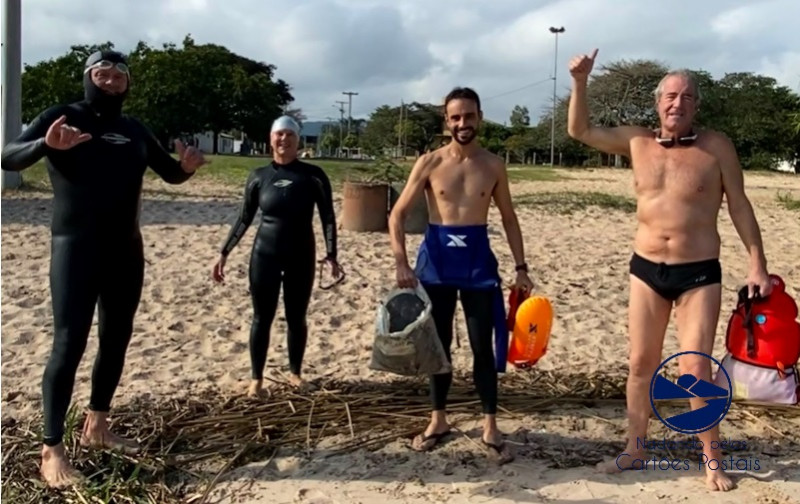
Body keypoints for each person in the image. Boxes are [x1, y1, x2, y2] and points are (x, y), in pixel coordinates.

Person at [566, 48, 772, 491]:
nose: (677, 103)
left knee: (695, 369)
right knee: (640, 364)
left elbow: (738, 204)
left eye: (687, 97)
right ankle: (635, 448)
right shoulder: (637, 142)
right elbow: (579, 129)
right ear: (658, 103)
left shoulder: (716, 147)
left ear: (697, 105)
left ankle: (711, 459)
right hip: (645, 271)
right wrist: (580, 82)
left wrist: (758, 263)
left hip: (698, 273)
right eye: (670, 96)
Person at [1, 50, 206, 489]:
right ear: (88, 77)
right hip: (75, 248)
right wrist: (45, 145)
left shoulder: (133, 129)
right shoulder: (62, 116)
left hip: (126, 249)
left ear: (127, 84)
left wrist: (186, 170)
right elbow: (8, 156)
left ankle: (97, 426)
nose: (111, 81)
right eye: (102, 73)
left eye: (119, 75)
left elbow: (168, 172)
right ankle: (51, 449)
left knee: (116, 338)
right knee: (69, 342)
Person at [389, 87, 533, 465]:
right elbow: (397, 215)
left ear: (479, 117)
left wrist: (521, 268)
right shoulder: (429, 163)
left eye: (468, 116)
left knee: (482, 345)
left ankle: (490, 425)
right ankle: (438, 420)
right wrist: (402, 263)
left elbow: (508, 218)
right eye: (455, 117)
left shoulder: (493, 165)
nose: (462, 124)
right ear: (446, 121)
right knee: (438, 346)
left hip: (477, 263)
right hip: (435, 262)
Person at [212, 115, 342, 398]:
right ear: (271, 138)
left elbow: (328, 218)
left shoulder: (313, 175)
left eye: (290, 135)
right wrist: (224, 252)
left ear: (298, 140)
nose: (284, 140)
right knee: (262, 317)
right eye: (279, 134)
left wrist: (332, 255)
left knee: (297, 317)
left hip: (301, 255)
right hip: (265, 255)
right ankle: (256, 379)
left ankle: (295, 374)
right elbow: (244, 218)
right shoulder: (259, 176)